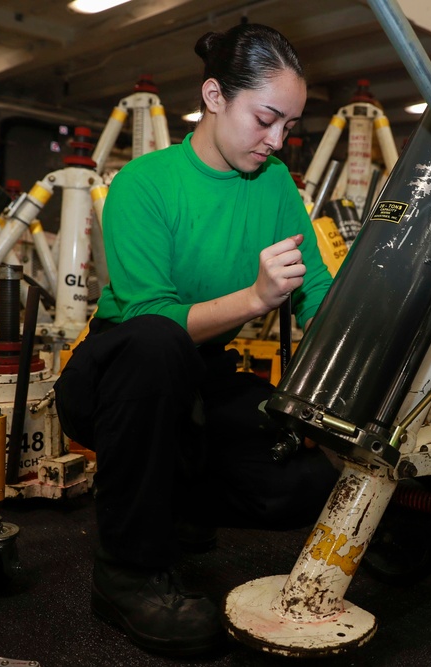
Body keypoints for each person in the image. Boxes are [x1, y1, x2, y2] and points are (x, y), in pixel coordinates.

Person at [53, 23, 338, 657]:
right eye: (266, 118)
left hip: (201, 375)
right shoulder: (144, 183)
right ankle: (126, 575)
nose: (276, 140)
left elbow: (316, 289)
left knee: (303, 486)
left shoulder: (275, 186)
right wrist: (257, 298)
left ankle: (172, 497)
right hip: (120, 373)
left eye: (288, 126)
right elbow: (151, 316)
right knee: (156, 344)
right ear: (214, 96)